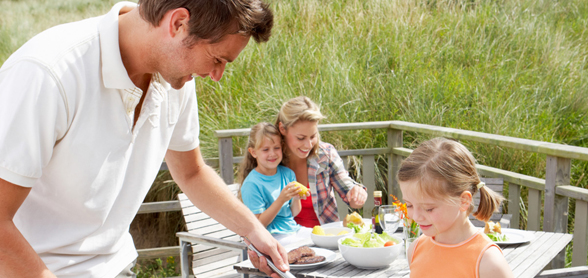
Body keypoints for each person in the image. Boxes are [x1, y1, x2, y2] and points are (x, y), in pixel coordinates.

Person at [0, 1, 288, 278]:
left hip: (117, 266)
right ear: (178, 23)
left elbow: (191, 172)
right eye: (217, 59)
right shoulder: (46, 73)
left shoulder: (175, 74)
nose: (216, 75)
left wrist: (253, 230)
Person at [398, 137, 513, 278]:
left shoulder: (488, 261)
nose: (415, 216)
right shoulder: (415, 249)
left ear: (463, 201)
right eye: (409, 205)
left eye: (429, 208)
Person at [275, 96, 368, 227]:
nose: (308, 145)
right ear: (282, 129)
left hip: (324, 238)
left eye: (313, 136)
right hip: (282, 239)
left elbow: (349, 193)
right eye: (301, 138)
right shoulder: (270, 158)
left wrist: (357, 193)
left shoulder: (325, 153)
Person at [238, 122, 312, 246]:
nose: (272, 153)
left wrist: (296, 197)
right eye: (266, 149)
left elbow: (294, 213)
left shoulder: (287, 174)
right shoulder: (252, 184)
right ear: (254, 152)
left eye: (276, 148)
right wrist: (281, 199)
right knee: (309, 246)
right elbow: (258, 224)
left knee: (321, 236)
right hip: (271, 237)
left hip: (293, 230)